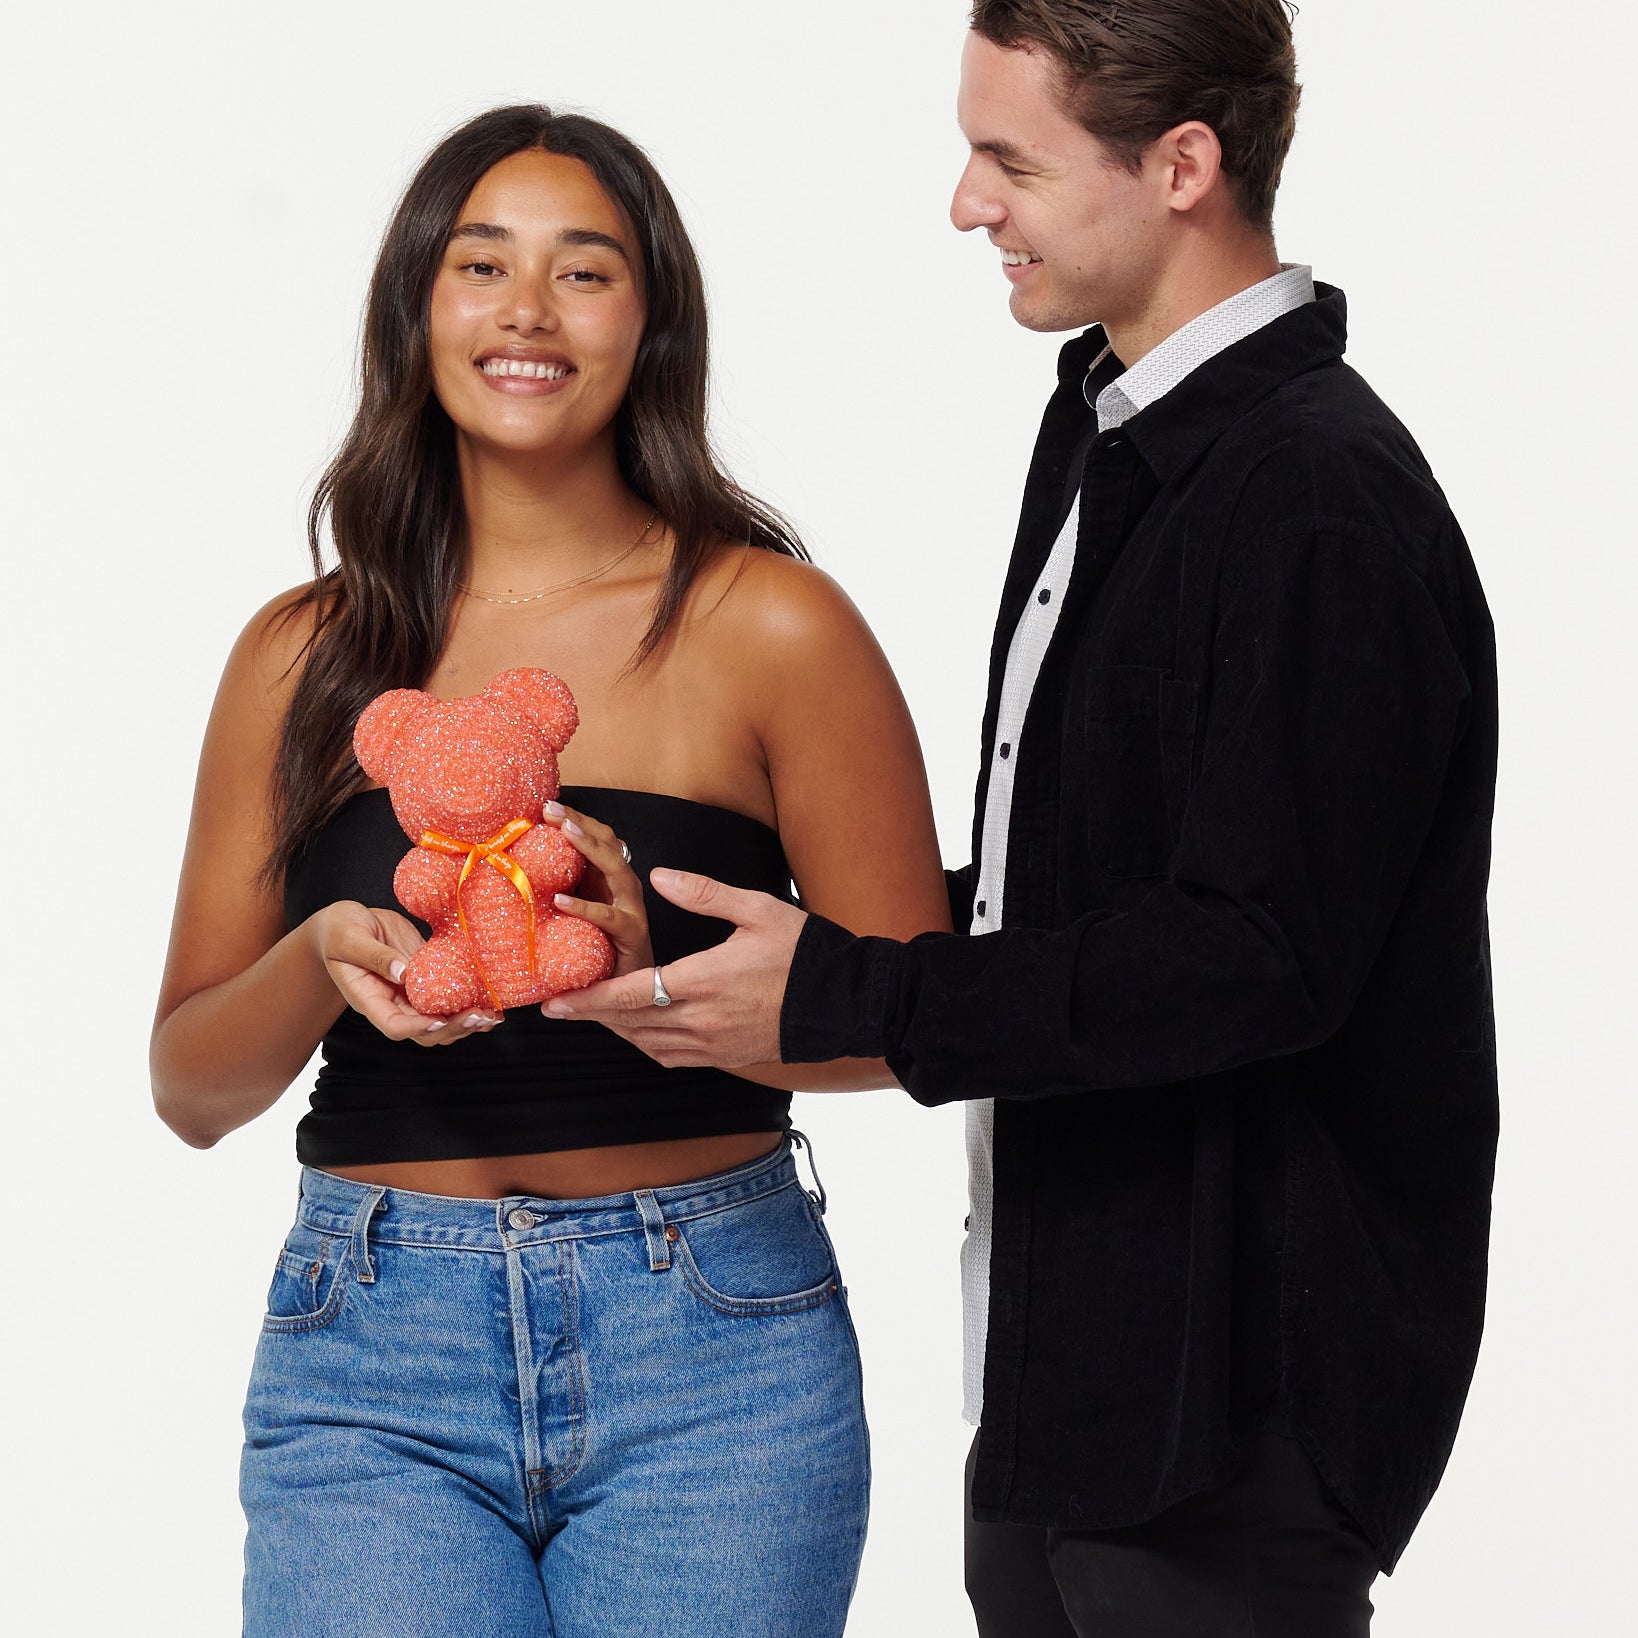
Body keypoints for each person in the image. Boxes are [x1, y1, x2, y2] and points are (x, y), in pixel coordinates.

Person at [553, 5, 1500, 1635]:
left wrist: (854, 994)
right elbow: (1090, 888)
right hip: (1075, 1388)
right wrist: (771, 949)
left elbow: (1249, 956)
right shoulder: (1112, 429)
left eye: (1009, 159)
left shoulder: (1316, 500)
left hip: (1231, 1430)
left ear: (1183, 166)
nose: (963, 204)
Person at [149, 104, 950, 1638]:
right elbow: (189, 1086)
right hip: (372, 1358)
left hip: (714, 1347)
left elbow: (925, 1024)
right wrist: (321, 954)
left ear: (650, 324)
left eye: (583, 272)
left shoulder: (775, 625)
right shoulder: (301, 657)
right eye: (481, 265)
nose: (526, 311)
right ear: (416, 310)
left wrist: (666, 990)